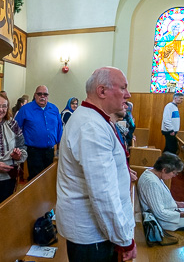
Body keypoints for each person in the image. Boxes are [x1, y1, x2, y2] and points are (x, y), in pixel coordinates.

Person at [56, 67, 136, 262]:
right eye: (123, 88)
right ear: (102, 91)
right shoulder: (91, 126)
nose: (128, 94)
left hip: (98, 231)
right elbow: (103, 193)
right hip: (93, 235)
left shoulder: (96, 119)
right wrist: (125, 240)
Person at [15, 85, 63, 181]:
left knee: (48, 178)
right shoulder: (26, 109)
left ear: (48, 96)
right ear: (35, 95)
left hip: (50, 151)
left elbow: (59, 128)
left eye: (45, 94)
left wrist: (59, 145)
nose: (42, 96)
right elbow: (16, 128)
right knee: (35, 179)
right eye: (39, 94)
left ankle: (45, 196)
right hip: (33, 151)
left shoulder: (54, 109)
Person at [138, 152, 184, 231]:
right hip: (165, 222)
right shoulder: (151, 183)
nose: (174, 176)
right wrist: (182, 214)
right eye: (174, 172)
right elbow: (160, 213)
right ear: (164, 170)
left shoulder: (154, 174)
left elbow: (159, 199)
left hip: (170, 213)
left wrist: (177, 203)